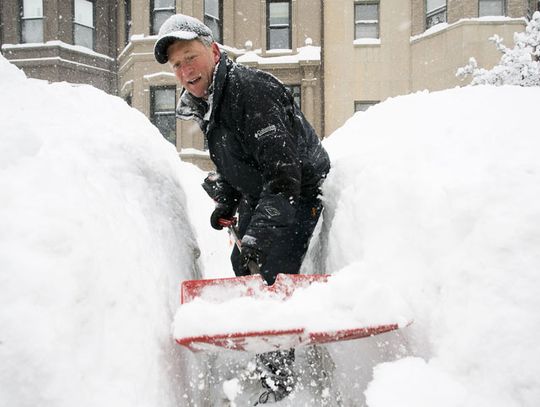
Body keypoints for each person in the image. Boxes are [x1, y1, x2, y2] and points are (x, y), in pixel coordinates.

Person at [154, 14, 330, 404]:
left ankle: (279, 384)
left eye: (190, 57)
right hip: (262, 191)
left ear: (214, 51)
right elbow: (240, 159)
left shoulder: (250, 92)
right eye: (177, 65)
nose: (185, 70)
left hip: (297, 192)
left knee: (268, 277)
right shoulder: (211, 100)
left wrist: (260, 235)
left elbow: (285, 176)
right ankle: (267, 352)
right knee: (241, 265)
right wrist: (229, 201)